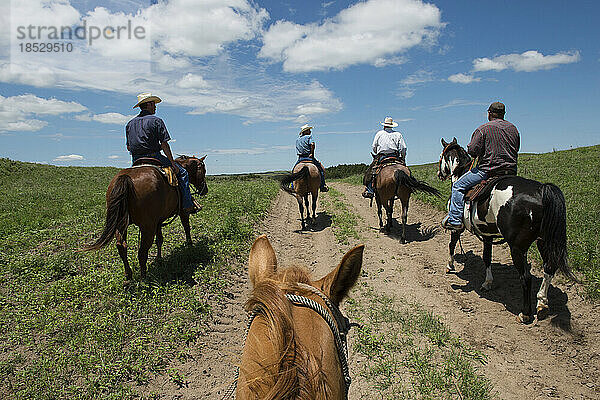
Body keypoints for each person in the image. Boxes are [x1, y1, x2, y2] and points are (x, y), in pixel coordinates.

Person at [441, 101, 520, 230]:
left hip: (488, 171)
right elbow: (516, 148)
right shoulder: (513, 128)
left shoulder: (483, 129)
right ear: (503, 114)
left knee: (458, 186)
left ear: (489, 113)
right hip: (510, 171)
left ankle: (455, 220)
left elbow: (472, 151)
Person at [126, 92, 198, 214]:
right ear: (148, 104)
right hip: (154, 157)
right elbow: (164, 144)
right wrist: (172, 163)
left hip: (136, 160)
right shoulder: (156, 121)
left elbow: (129, 147)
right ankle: (187, 205)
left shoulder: (129, 124)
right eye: (153, 104)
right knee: (183, 173)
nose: (155, 107)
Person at [362, 116, 407, 198]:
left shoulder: (379, 134)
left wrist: (377, 152)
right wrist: (403, 158)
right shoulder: (398, 134)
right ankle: (409, 188)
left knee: (371, 172)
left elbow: (374, 147)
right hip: (395, 157)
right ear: (392, 126)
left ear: (384, 126)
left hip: (382, 157)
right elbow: (403, 148)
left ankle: (370, 190)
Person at [294, 124, 329, 192]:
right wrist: (312, 154)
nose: (310, 131)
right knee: (320, 170)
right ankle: (322, 185)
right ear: (306, 131)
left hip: (300, 158)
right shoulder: (309, 137)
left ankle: (293, 186)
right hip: (309, 157)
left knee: (294, 172)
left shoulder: (298, 140)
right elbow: (312, 144)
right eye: (309, 130)